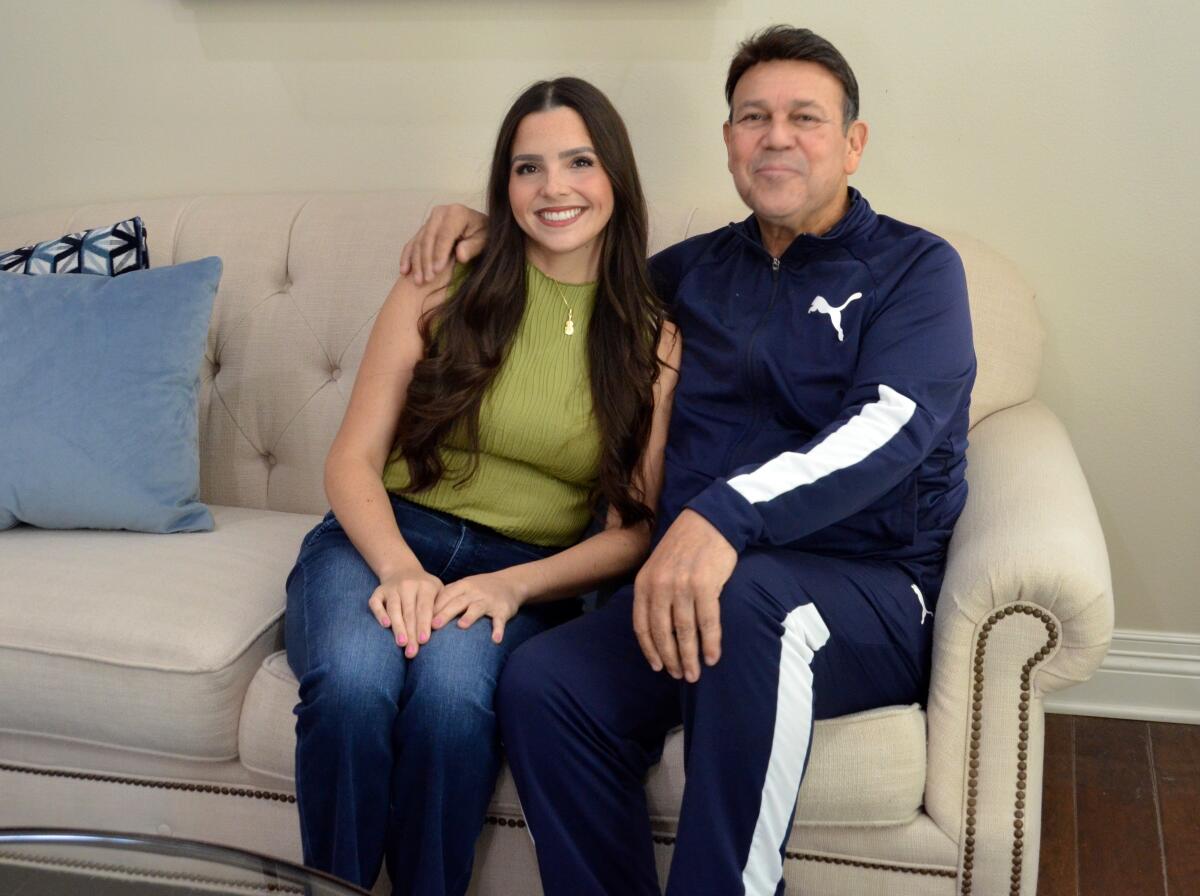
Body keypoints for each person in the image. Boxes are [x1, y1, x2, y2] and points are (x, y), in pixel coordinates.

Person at [401, 25, 976, 896]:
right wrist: (480, 226)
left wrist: (721, 514)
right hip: (691, 588)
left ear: (853, 144)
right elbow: (567, 268)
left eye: (804, 118)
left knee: (753, 599)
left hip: (866, 590)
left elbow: (889, 428)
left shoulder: (917, 271)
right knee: (546, 682)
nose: (775, 135)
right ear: (730, 142)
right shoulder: (685, 275)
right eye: (753, 116)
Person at [285, 76, 679, 896]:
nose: (555, 188)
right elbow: (350, 460)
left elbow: (634, 528)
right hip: (380, 539)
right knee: (354, 689)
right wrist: (398, 569)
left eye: (578, 161)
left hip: (517, 571)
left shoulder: (652, 337)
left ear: (616, 176)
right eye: (528, 168)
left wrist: (510, 585)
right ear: (505, 185)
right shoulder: (442, 280)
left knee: (450, 707)